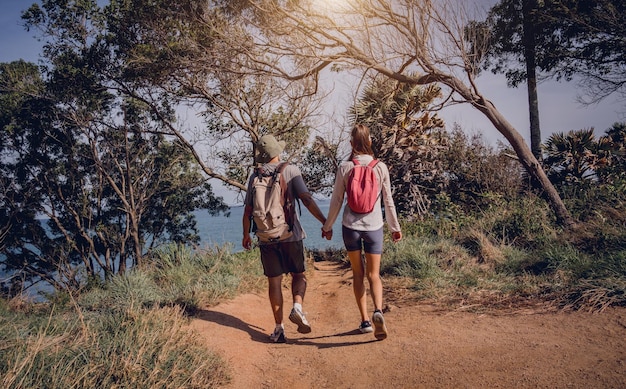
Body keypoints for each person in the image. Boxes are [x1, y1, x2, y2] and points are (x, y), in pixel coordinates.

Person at [242, 134, 327, 343]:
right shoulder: (290, 170)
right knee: (299, 275)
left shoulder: (255, 177)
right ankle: (297, 307)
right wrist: (325, 222)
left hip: (265, 237)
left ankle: (279, 329)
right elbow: (306, 199)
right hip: (290, 234)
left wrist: (246, 235)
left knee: (275, 282)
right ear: (277, 152)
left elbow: (247, 211)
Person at [321, 124, 402, 341]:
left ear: (351, 144)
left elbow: (337, 201)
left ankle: (365, 321)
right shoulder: (380, 167)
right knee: (374, 275)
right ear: (370, 142)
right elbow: (388, 200)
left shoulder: (345, 167)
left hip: (351, 228)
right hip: (374, 227)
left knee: (358, 274)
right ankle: (378, 310)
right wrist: (395, 228)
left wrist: (327, 227)